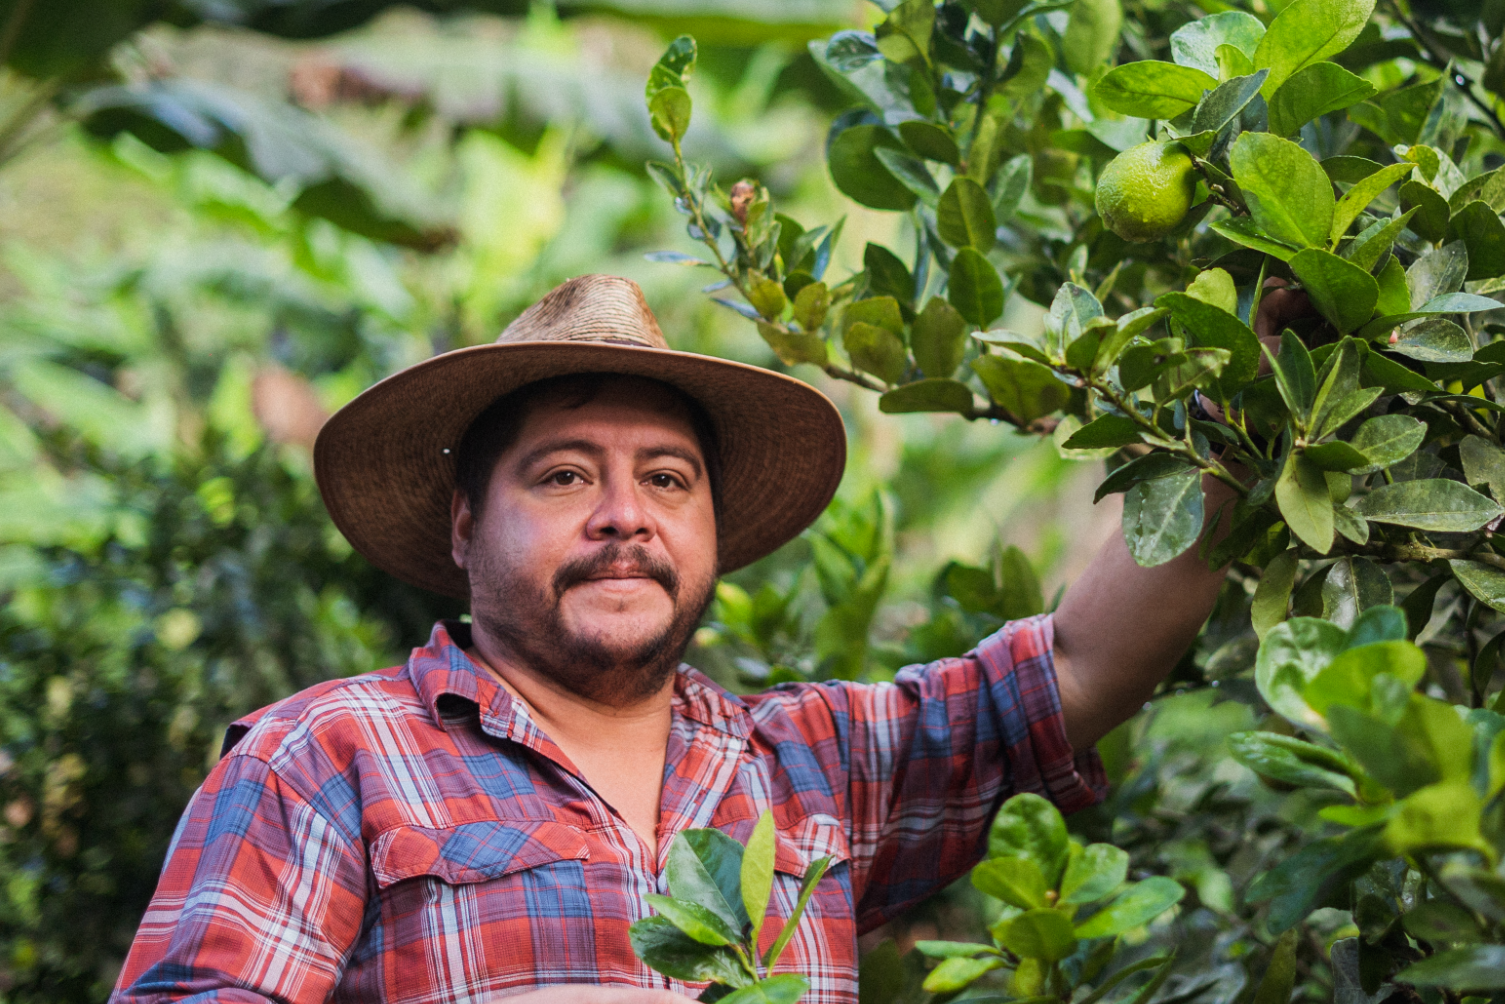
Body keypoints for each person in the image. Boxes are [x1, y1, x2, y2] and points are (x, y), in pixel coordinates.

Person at [111, 275, 1234, 1004]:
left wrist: (1254, 414)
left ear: (706, 527)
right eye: (562, 475)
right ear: (465, 525)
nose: (622, 513)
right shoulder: (325, 757)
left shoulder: (815, 766)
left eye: (665, 477)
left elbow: (1076, 667)